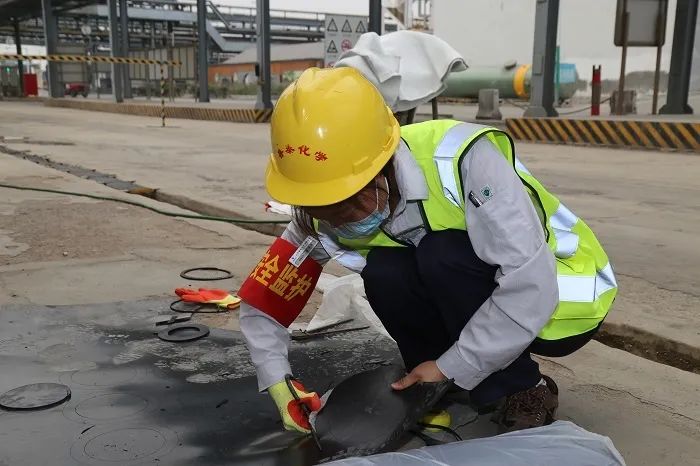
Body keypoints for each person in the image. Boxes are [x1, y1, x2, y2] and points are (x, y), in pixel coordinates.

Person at [237, 67, 617, 435]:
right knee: (384, 270)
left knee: (441, 254)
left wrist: (456, 363)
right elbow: (267, 297)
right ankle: (431, 382)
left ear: (383, 167)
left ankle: (523, 386)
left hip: (560, 298)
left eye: (346, 204)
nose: (335, 220)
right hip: (486, 291)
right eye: (320, 208)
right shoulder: (319, 210)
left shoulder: (464, 160)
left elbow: (530, 284)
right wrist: (277, 379)